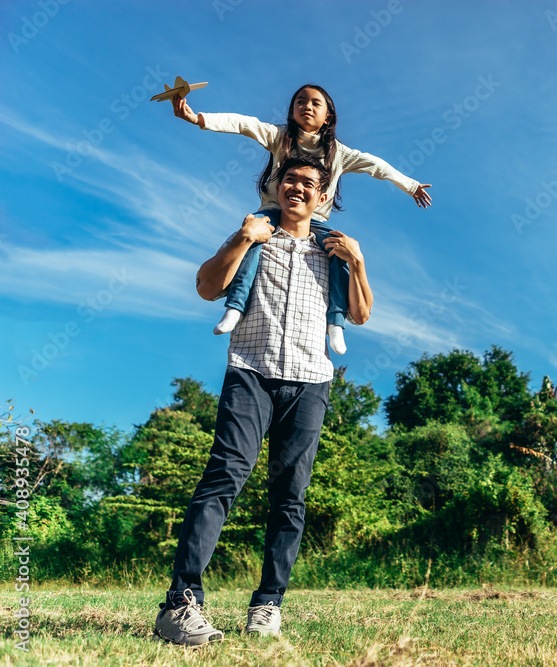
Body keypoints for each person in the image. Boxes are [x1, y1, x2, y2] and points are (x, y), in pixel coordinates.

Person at [154, 155, 372, 646]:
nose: (297, 186)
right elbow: (207, 286)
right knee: (225, 477)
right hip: (250, 371)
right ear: (276, 187)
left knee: (290, 496)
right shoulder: (253, 232)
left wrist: (357, 263)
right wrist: (243, 239)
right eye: (289, 178)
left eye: (309, 182)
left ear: (323, 197)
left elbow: (360, 314)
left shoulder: (333, 249)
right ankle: (180, 604)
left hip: (311, 381)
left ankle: (267, 605)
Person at [170, 83, 430, 354]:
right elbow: (243, 124)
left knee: (338, 250)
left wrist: (410, 185)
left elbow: (375, 165)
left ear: (328, 116)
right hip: (273, 210)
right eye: (300, 101)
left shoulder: (338, 153)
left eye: (316, 103)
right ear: (292, 110)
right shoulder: (280, 136)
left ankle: (336, 323)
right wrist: (198, 118)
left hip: (315, 219)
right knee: (253, 238)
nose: (307, 106)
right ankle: (235, 307)